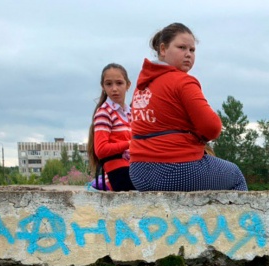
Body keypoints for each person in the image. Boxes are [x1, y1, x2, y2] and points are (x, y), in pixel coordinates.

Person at [128, 23, 247, 192]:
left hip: (138, 173)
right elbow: (212, 128)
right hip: (176, 169)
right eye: (181, 48)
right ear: (163, 49)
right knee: (235, 175)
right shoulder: (183, 82)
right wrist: (199, 136)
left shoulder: (142, 86)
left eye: (192, 50)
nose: (188, 54)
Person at [87, 63, 135, 191]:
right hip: (118, 171)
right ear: (103, 86)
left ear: (128, 85)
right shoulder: (104, 112)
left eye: (119, 83)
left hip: (133, 167)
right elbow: (101, 149)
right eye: (109, 84)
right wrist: (130, 143)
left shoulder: (131, 113)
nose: (114, 89)